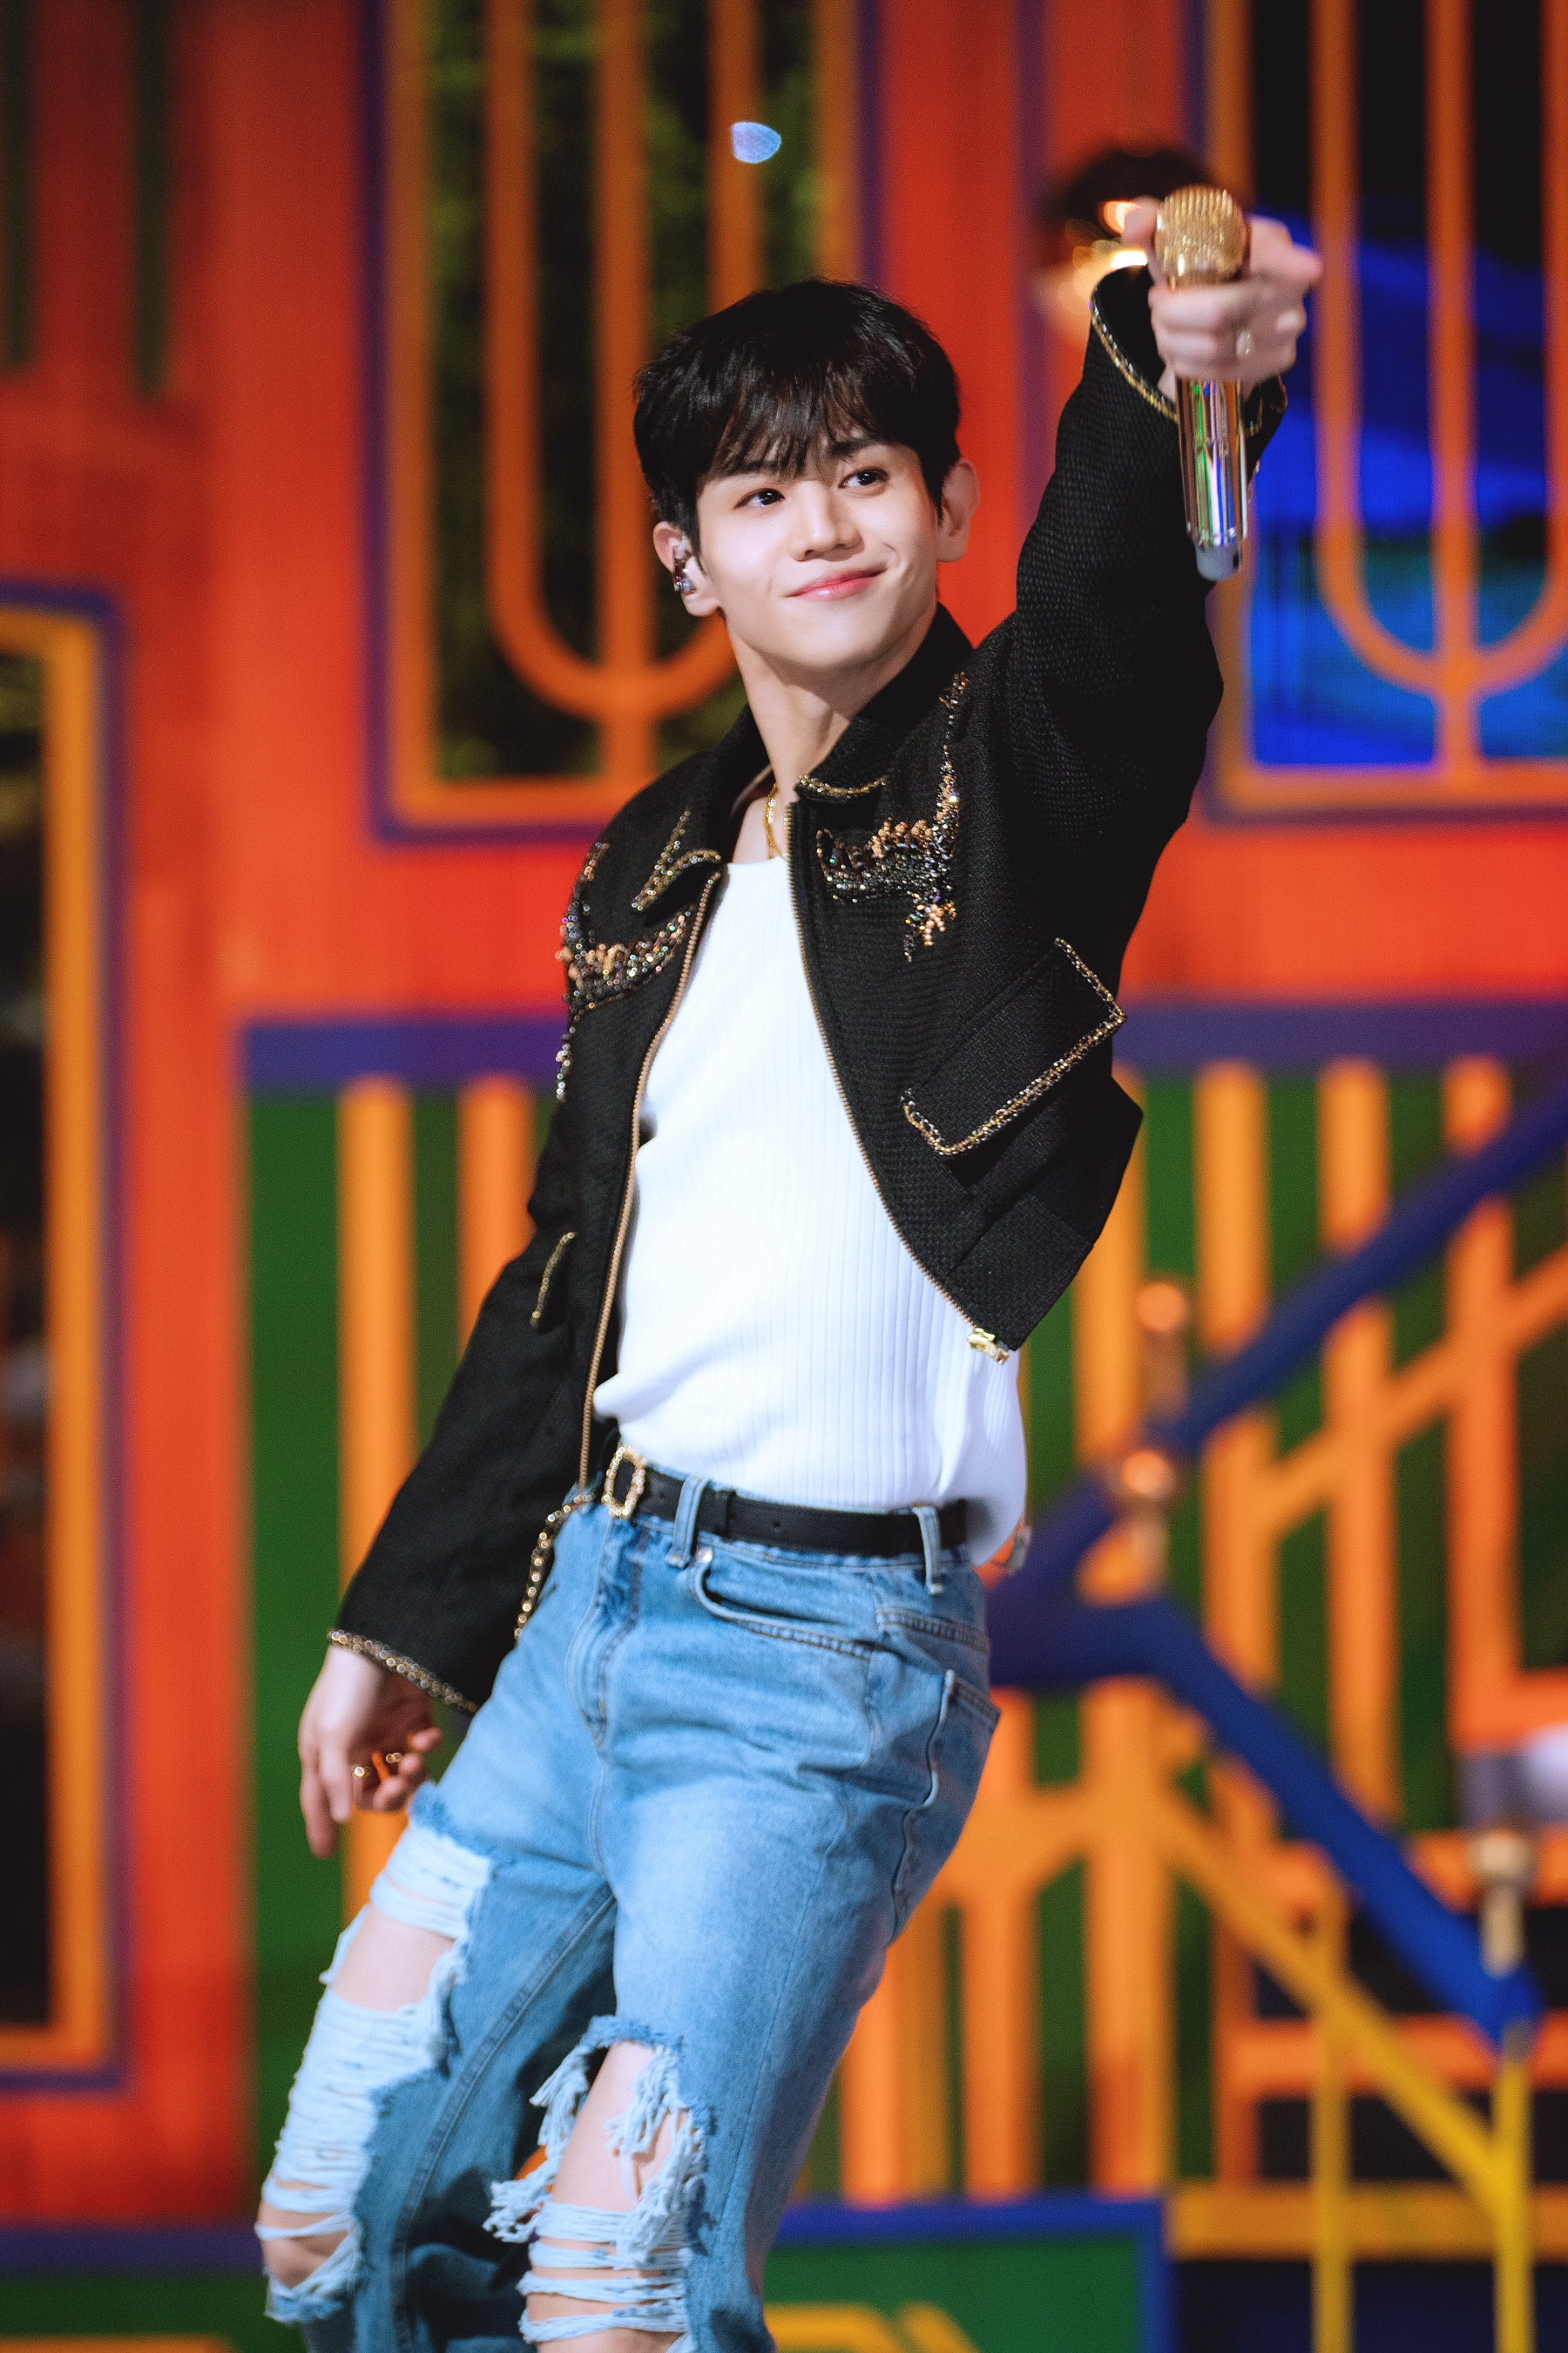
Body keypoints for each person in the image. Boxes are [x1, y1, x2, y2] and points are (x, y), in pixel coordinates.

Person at [258, 203, 1321, 2352]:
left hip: (818, 1663)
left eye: (868, 473)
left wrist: (1180, 360)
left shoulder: (1012, 780)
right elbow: (573, 1270)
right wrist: (406, 1626)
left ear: (946, 507)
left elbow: (1117, 609)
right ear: (689, 559)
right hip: (584, 1619)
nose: (822, 524)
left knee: (617, 2286)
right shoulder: (647, 862)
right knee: (336, 2217)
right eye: (761, 493)